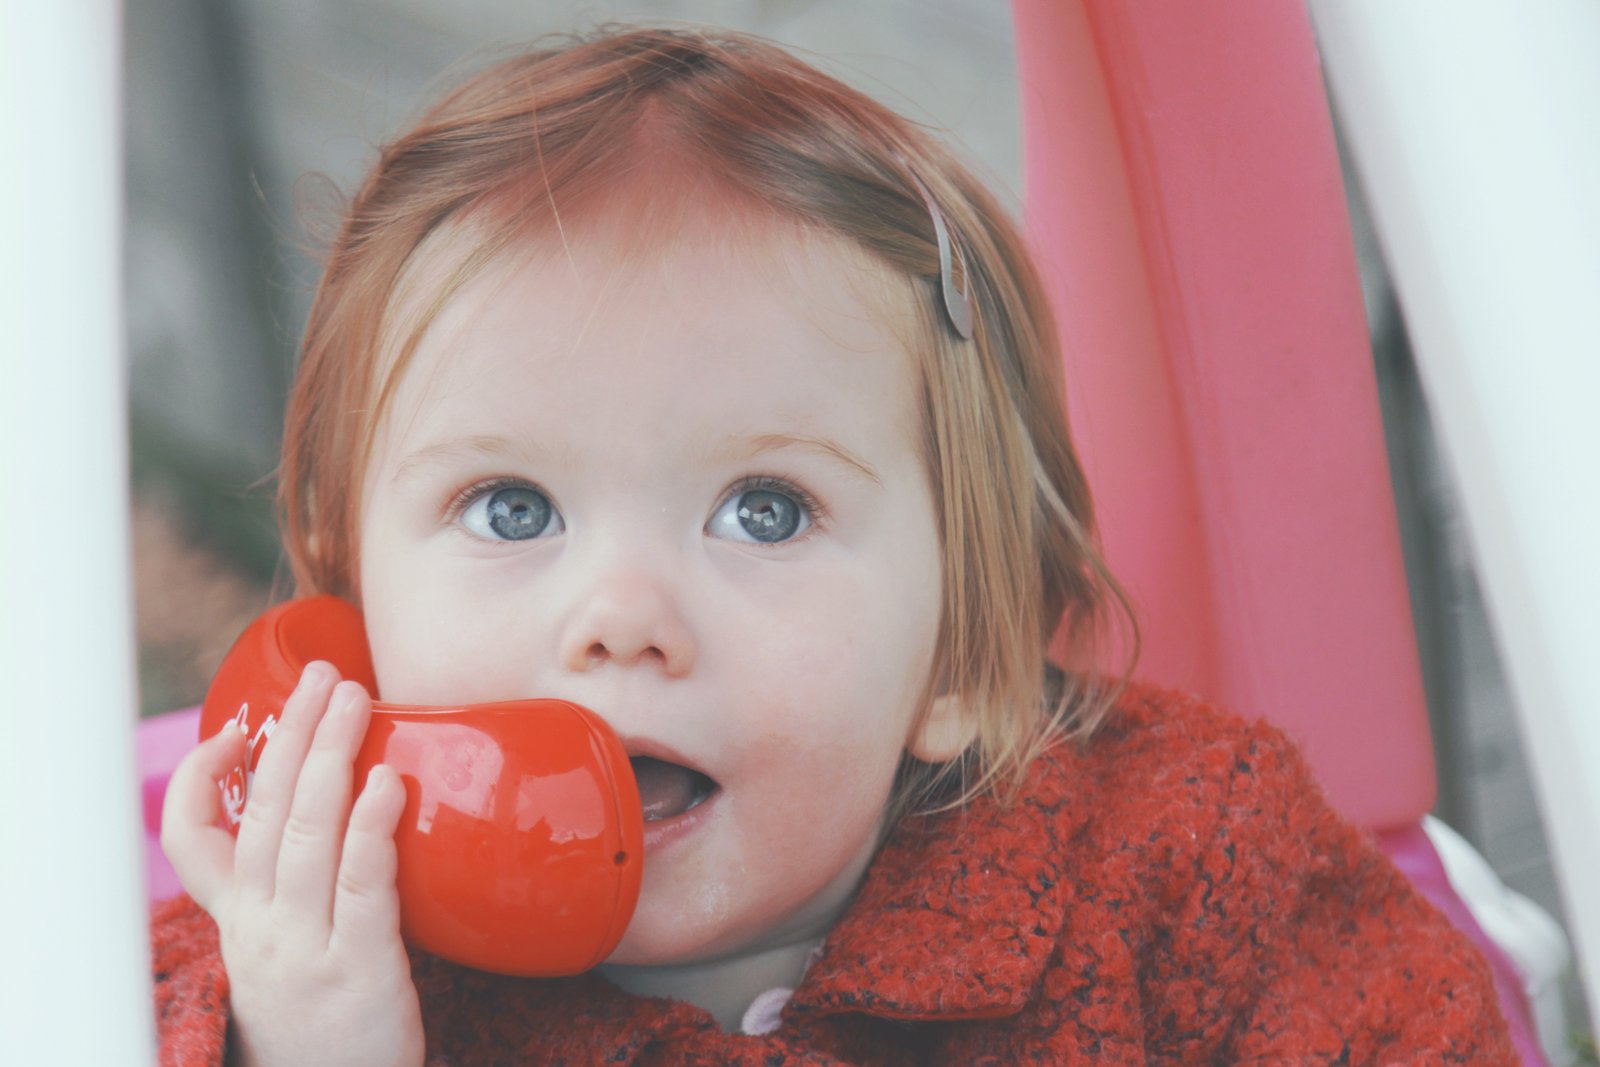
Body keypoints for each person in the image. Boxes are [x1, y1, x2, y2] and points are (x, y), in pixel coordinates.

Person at [153, 26, 1516, 1066]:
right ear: (352, 615)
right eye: (513, 508)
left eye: (766, 510)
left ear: (963, 656)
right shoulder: (272, 969)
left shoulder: (1183, 865)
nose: (622, 614)